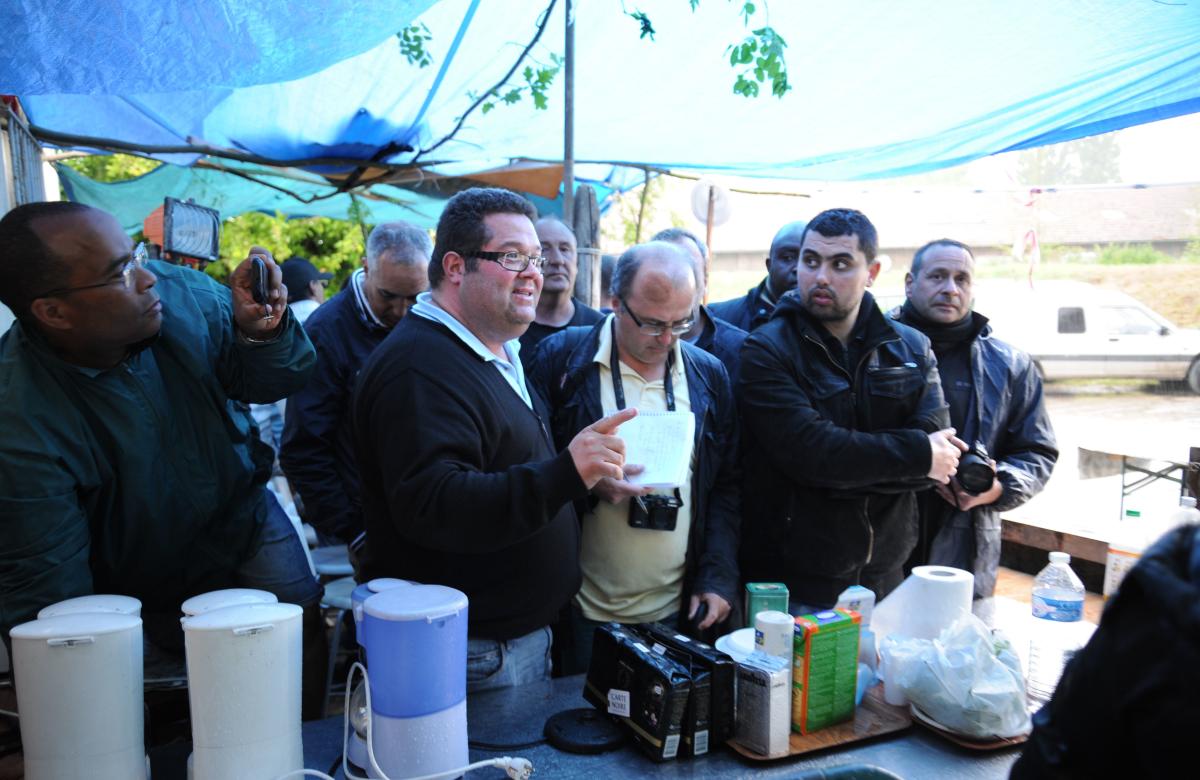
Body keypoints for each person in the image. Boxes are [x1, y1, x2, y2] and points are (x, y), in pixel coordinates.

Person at [0, 202, 327, 714]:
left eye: (134, 255)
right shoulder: (16, 419)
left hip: (242, 514)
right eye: (120, 272)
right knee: (159, 697)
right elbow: (51, 600)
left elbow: (275, 380)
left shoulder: (184, 295)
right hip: (131, 577)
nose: (148, 278)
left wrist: (260, 333)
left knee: (297, 628)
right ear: (54, 312)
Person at [353, 187, 635, 691]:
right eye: (512, 257)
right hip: (476, 653)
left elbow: (502, 462)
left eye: (535, 257)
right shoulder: (419, 367)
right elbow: (436, 504)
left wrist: (581, 472)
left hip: (508, 641)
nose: (535, 271)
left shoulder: (493, 346)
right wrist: (564, 472)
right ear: (457, 267)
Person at [529, 241, 741, 672]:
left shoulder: (707, 373)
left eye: (682, 323)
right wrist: (583, 481)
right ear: (614, 304)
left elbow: (726, 487)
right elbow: (528, 472)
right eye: (651, 324)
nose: (666, 339)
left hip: (677, 610)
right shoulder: (562, 361)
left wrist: (717, 577)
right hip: (581, 610)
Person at [738, 208, 962, 610]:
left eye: (840, 264)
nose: (820, 277)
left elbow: (939, 454)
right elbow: (811, 453)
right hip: (795, 585)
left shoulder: (911, 347)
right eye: (811, 261)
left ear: (872, 272)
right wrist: (915, 456)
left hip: (886, 576)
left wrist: (846, 467)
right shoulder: (765, 349)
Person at [892, 239, 1057, 597]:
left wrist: (996, 489)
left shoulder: (1010, 365)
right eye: (937, 276)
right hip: (876, 538)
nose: (950, 288)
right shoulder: (869, 348)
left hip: (964, 547)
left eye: (961, 279)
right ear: (909, 282)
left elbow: (1037, 452)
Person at [280, 221, 432, 548]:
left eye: (415, 296)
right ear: (367, 266)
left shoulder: (433, 317)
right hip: (360, 527)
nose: (402, 311)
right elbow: (303, 446)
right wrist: (351, 529)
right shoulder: (325, 332)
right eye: (388, 296)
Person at [251, 255, 331, 451]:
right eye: (322, 284)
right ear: (313, 286)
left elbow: (261, 411)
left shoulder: (269, 336)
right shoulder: (335, 325)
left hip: (292, 451)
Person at [651, 227, 749, 385]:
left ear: (705, 281)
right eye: (664, 272)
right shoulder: (625, 343)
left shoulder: (741, 352)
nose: (677, 282)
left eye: (689, 271)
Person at [517, 216, 604, 363]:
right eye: (544, 249)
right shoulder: (510, 329)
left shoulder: (599, 328)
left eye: (565, 249)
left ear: (577, 261)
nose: (557, 260)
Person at [709, 219, 807, 332]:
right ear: (769, 265)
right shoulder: (717, 319)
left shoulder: (828, 321)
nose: (798, 268)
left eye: (809, 260)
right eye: (788, 258)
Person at [280, 255, 332, 325]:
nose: (323, 289)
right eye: (323, 284)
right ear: (313, 286)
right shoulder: (331, 319)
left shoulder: (276, 328)